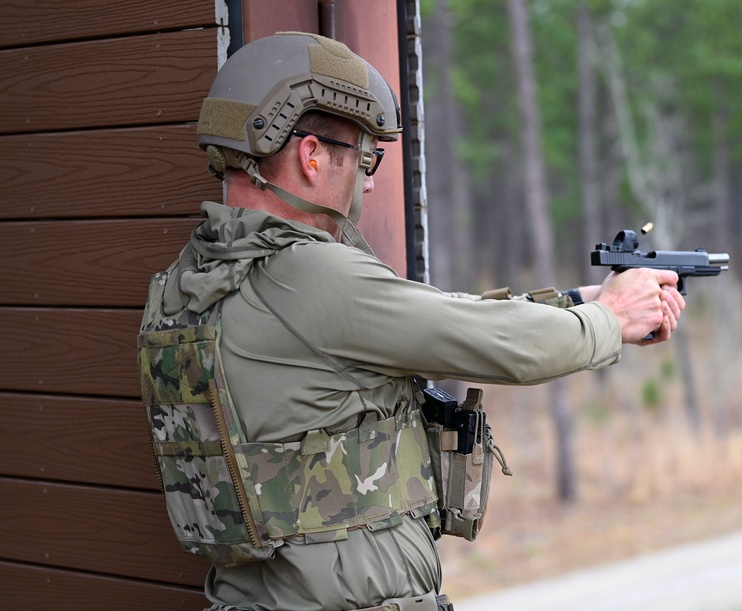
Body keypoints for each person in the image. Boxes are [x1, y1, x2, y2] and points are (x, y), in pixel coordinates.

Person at [137, 32, 685, 611]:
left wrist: (579, 300)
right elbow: (503, 345)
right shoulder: (309, 275)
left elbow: (436, 319)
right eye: (365, 158)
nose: (369, 181)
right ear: (311, 155)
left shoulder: (184, 286)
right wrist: (611, 317)